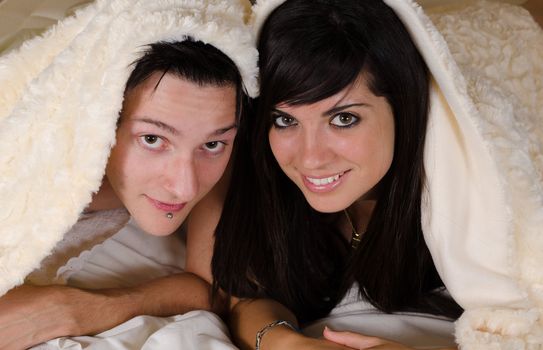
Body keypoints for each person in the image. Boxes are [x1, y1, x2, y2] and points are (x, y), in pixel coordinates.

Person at [188, 0, 543, 349]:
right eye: (286, 120)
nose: (310, 158)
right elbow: (246, 296)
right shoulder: (264, 177)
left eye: (343, 118)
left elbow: (528, 317)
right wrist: (284, 343)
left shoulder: (477, 187)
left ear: (402, 107)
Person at [0, 0, 257, 348]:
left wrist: (71, 309)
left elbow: (211, 288)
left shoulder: (219, 145)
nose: (185, 186)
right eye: (153, 139)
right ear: (103, 118)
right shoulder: (33, 150)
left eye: (213, 144)